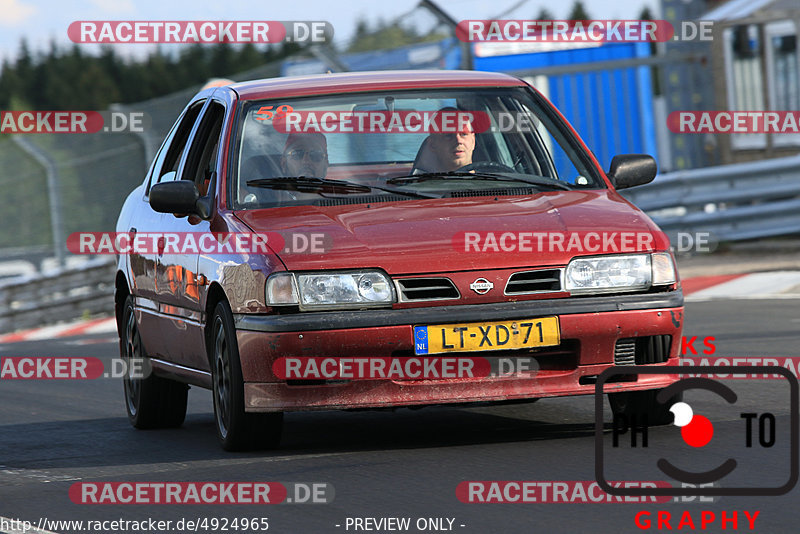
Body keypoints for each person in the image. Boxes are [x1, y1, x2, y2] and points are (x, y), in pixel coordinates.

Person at [416, 107, 476, 173]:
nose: (458, 141)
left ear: (473, 141)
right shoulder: (419, 183)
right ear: (432, 144)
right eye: (449, 135)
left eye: (464, 134)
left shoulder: (488, 179)